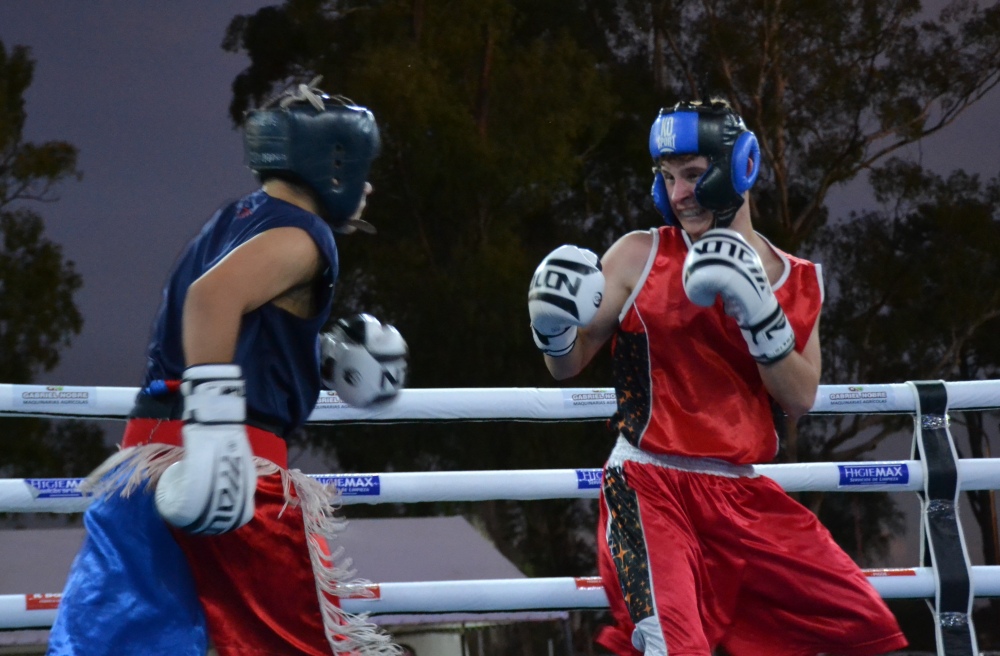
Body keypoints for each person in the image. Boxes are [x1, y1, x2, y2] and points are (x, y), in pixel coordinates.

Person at [527, 100, 908, 656]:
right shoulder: (640, 254)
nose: (678, 193)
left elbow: (799, 397)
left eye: (693, 174)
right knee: (672, 646)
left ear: (741, 167)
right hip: (649, 486)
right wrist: (553, 330)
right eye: (667, 177)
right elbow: (569, 364)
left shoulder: (798, 281)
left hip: (743, 496)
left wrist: (760, 313)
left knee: (865, 627)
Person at [47, 79, 408, 656]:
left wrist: (310, 356)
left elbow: (218, 322)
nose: (367, 185)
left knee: (114, 641)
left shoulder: (231, 221)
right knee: (292, 645)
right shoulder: (305, 236)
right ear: (333, 164)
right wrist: (214, 435)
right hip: (229, 463)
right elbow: (211, 301)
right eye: (361, 168)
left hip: (141, 462)